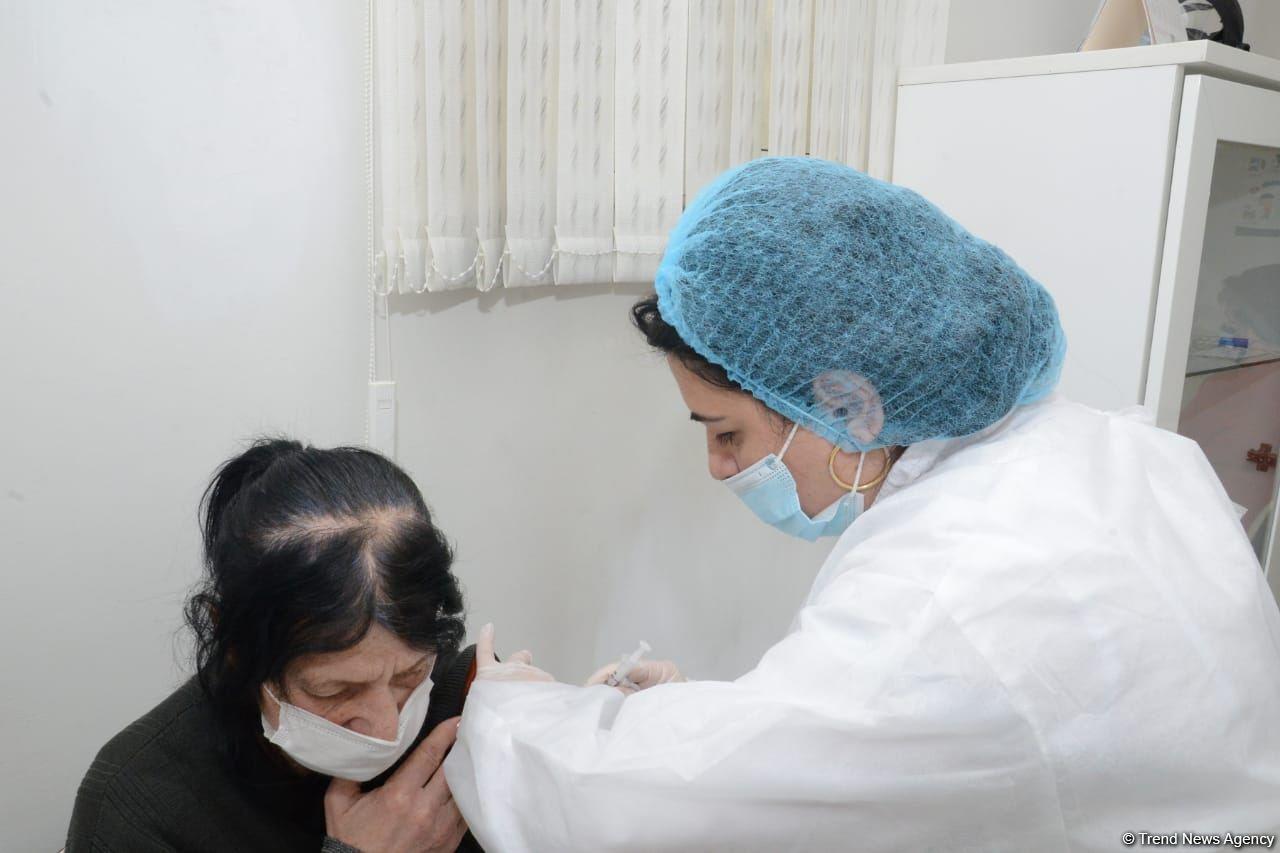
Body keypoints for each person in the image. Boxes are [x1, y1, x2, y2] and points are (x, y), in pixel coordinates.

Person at [444, 157, 1280, 851]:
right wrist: (702, 710)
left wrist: (508, 713)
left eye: (727, 432)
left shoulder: (940, 602)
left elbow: (667, 810)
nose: (717, 467)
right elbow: (894, 748)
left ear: (850, 405)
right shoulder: (1125, 455)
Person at [67, 439, 484, 852]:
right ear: (237, 651)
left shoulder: (464, 705)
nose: (387, 729)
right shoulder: (136, 807)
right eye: (335, 690)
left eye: (409, 676)